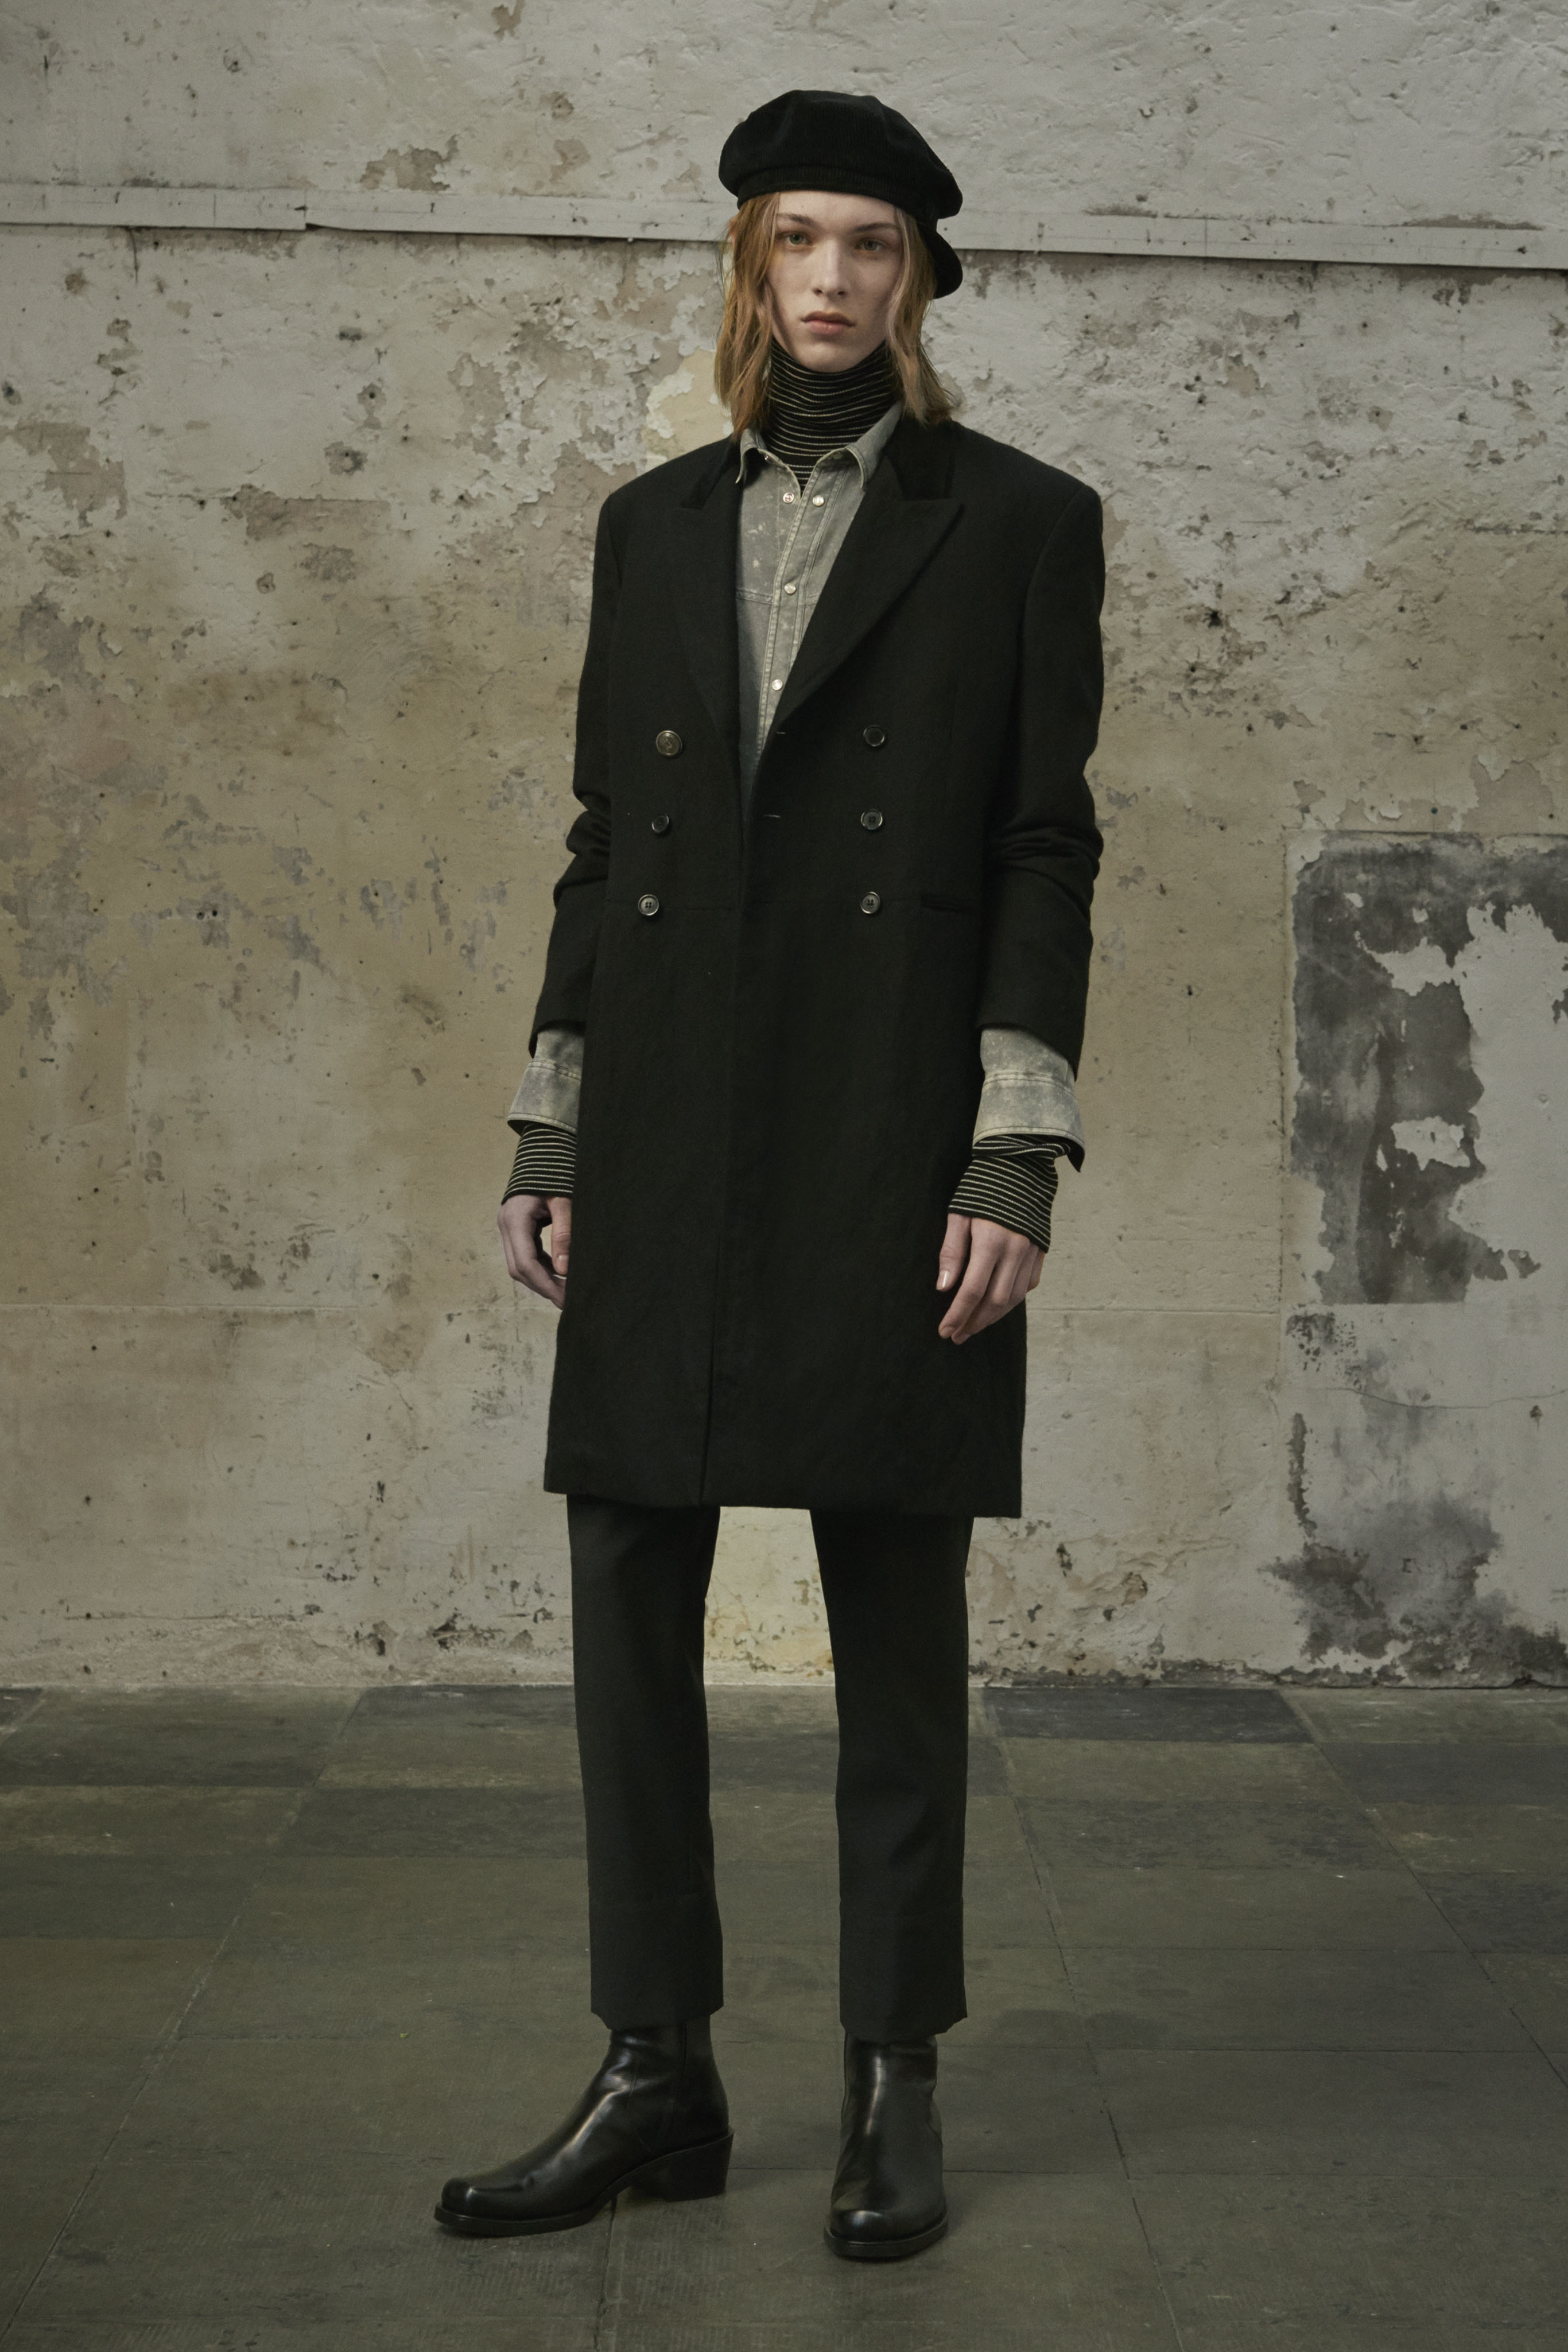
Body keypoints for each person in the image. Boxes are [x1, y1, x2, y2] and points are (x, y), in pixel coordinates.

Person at [434, 88, 1104, 2262]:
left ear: (920, 279)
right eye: (798, 238)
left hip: (884, 1128)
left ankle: (894, 2072)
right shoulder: (647, 526)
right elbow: (603, 843)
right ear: (748, 261)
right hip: (666, 1125)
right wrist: (554, 1122)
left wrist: (1012, 1146)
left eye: (871, 244)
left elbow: (1039, 845)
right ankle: (657, 2066)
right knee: (629, 1586)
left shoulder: (1018, 522)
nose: (832, 278)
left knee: (892, 1603)